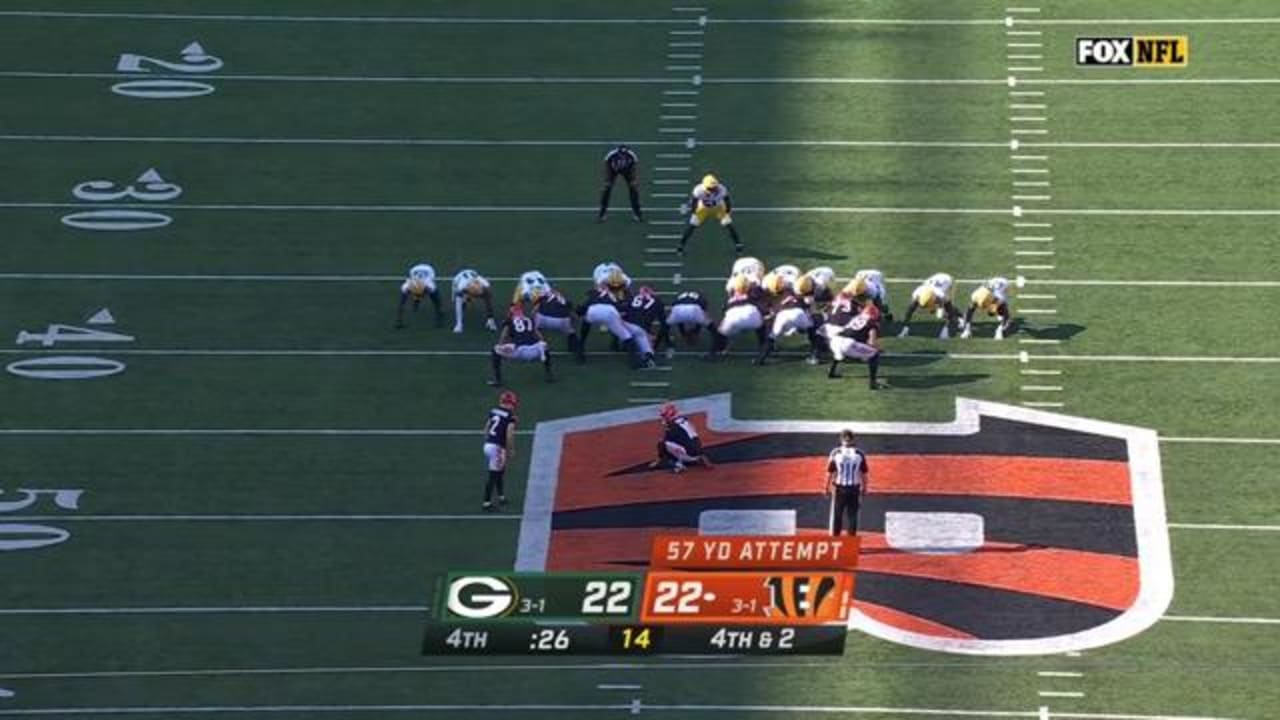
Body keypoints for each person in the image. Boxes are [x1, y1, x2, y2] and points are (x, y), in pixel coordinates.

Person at [824, 297, 886, 389]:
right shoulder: (872, 324)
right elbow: (872, 343)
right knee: (874, 354)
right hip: (847, 344)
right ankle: (873, 383)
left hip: (834, 341)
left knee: (840, 352)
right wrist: (877, 349)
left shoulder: (856, 318)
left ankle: (831, 371)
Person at [677, 174, 744, 257]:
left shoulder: (722, 189)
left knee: (729, 225)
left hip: (718, 208)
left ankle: (738, 244)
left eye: (714, 188)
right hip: (703, 208)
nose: (712, 190)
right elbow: (695, 201)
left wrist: (728, 210)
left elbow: (727, 199)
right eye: (710, 188)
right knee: (692, 226)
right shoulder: (699, 190)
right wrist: (694, 212)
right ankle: (681, 245)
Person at [489, 304, 554, 386]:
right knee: (544, 346)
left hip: (519, 350)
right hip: (535, 350)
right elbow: (538, 335)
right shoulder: (529, 319)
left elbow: (504, 335)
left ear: (512, 313)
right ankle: (549, 374)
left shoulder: (509, 321)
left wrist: (501, 346)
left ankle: (498, 380)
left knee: (495, 350)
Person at [648, 403, 714, 474]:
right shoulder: (685, 420)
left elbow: (666, 441)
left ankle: (678, 465)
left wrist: (660, 457)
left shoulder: (671, 426)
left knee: (662, 444)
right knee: (685, 442)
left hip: (688, 454)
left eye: (664, 415)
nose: (663, 417)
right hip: (698, 449)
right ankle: (698, 457)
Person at [826, 429, 869, 536]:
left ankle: (836, 540)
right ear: (853, 439)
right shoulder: (859, 454)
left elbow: (830, 472)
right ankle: (851, 542)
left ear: (841, 439)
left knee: (837, 515)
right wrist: (865, 487)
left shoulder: (836, 452)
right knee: (852, 516)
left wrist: (826, 487)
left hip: (840, 488)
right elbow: (863, 473)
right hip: (854, 488)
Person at [482, 391, 519, 511]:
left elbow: (486, 428)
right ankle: (486, 502)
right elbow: (509, 434)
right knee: (494, 474)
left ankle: (501, 496)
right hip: (497, 447)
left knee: (500, 471)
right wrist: (511, 449)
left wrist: (489, 440)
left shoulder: (493, 411)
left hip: (489, 445)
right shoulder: (511, 416)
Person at [897, 272, 958, 339]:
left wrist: (945, 329)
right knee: (935, 312)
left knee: (948, 310)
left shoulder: (940, 295)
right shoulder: (917, 293)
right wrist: (905, 328)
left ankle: (960, 319)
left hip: (948, 280)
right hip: (934, 284)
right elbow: (909, 311)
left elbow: (950, 309)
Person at [597, 144, 644, 223]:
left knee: (633, 189)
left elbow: (634, 168)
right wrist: (607, 180)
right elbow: (607, 167)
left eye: (624, 155)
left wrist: (634, 180)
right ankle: (602, 214)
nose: (622, 157)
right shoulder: (611, 155)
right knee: (606, 190)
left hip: (627, 170)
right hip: (613, 170)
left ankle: (638, 214)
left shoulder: (631, 156)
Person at [395, 263, 444, 329]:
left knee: (435, 299)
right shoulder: (406, 286)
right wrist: (399, 320)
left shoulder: (430, 286)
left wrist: (439, 316)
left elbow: (436, 301)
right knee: (416, 297)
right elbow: (401, 303)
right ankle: (416, 303)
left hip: (429, 270)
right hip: (414, 270)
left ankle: (440, 314)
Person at [452, 268, 497, 334]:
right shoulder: (460, 287)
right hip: (458, 281)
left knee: (487, 295)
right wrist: (467, 299)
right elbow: (459, 301)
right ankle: (459, 323)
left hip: (471, 278)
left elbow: (488, 292)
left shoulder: (484, 283)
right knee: (459, 302)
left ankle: (490, 320)